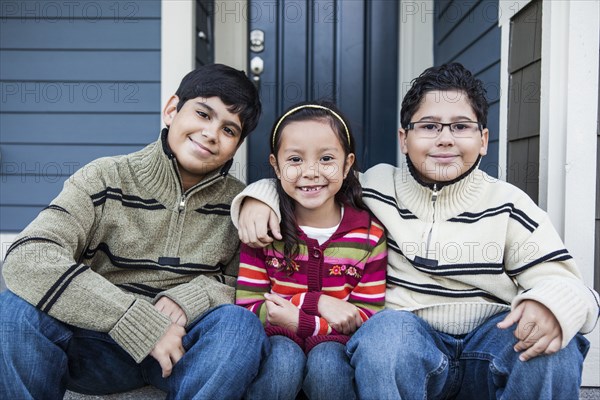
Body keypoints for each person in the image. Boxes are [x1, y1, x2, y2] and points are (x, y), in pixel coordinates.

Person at [231, 63, 600, 399]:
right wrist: (258, 197)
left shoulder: (510, 205)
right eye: (429, 126)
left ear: (484, 140)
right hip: (409, 343)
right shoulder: (376, 187)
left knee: (555, 347)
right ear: (404, 139)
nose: (444, 139)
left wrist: (552, 305)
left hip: (492, 339)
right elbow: (312, 181)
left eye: (460, 126)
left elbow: (569, 286)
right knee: (386, 334)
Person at [0, 64, 268, 400]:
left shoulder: (238, 205)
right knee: (14, 311)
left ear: (236, 145)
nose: (211, 133)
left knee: (239, 325)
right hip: (96, 343)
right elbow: (29, 256)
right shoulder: (104, 177)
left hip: (185, 350)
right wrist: (135, 320)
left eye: (229, 130)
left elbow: (248, 287)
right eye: (203, 113)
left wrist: (195, 297)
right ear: (172, 110)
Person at [235, 102, 387, 400]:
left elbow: (368, 317)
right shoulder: (264, 229)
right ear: (276, 167)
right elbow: (248, 310)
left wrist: (303, 321)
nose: (311, 172)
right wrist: (313, 302)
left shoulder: (369, 234)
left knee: (327, 365)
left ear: (347, 164)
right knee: (283, 363)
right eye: (295, 159)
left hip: (337, 345)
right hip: (276, 341)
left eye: (327, 158)